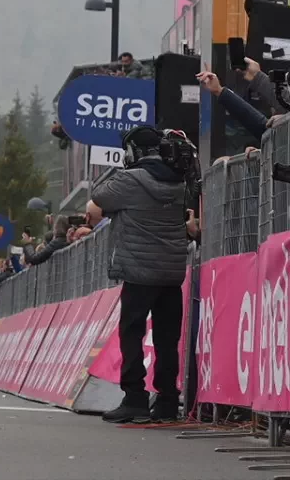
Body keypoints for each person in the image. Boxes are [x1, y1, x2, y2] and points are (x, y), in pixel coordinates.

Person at [92, 125, 190, 424]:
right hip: (171, 272)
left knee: (132, 333)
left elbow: (99, 197)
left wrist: (121, 168)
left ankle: (134, 397)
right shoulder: (181, 180)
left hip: (138, 270)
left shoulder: (129, 180)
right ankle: (168, 401)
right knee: (166, 338)